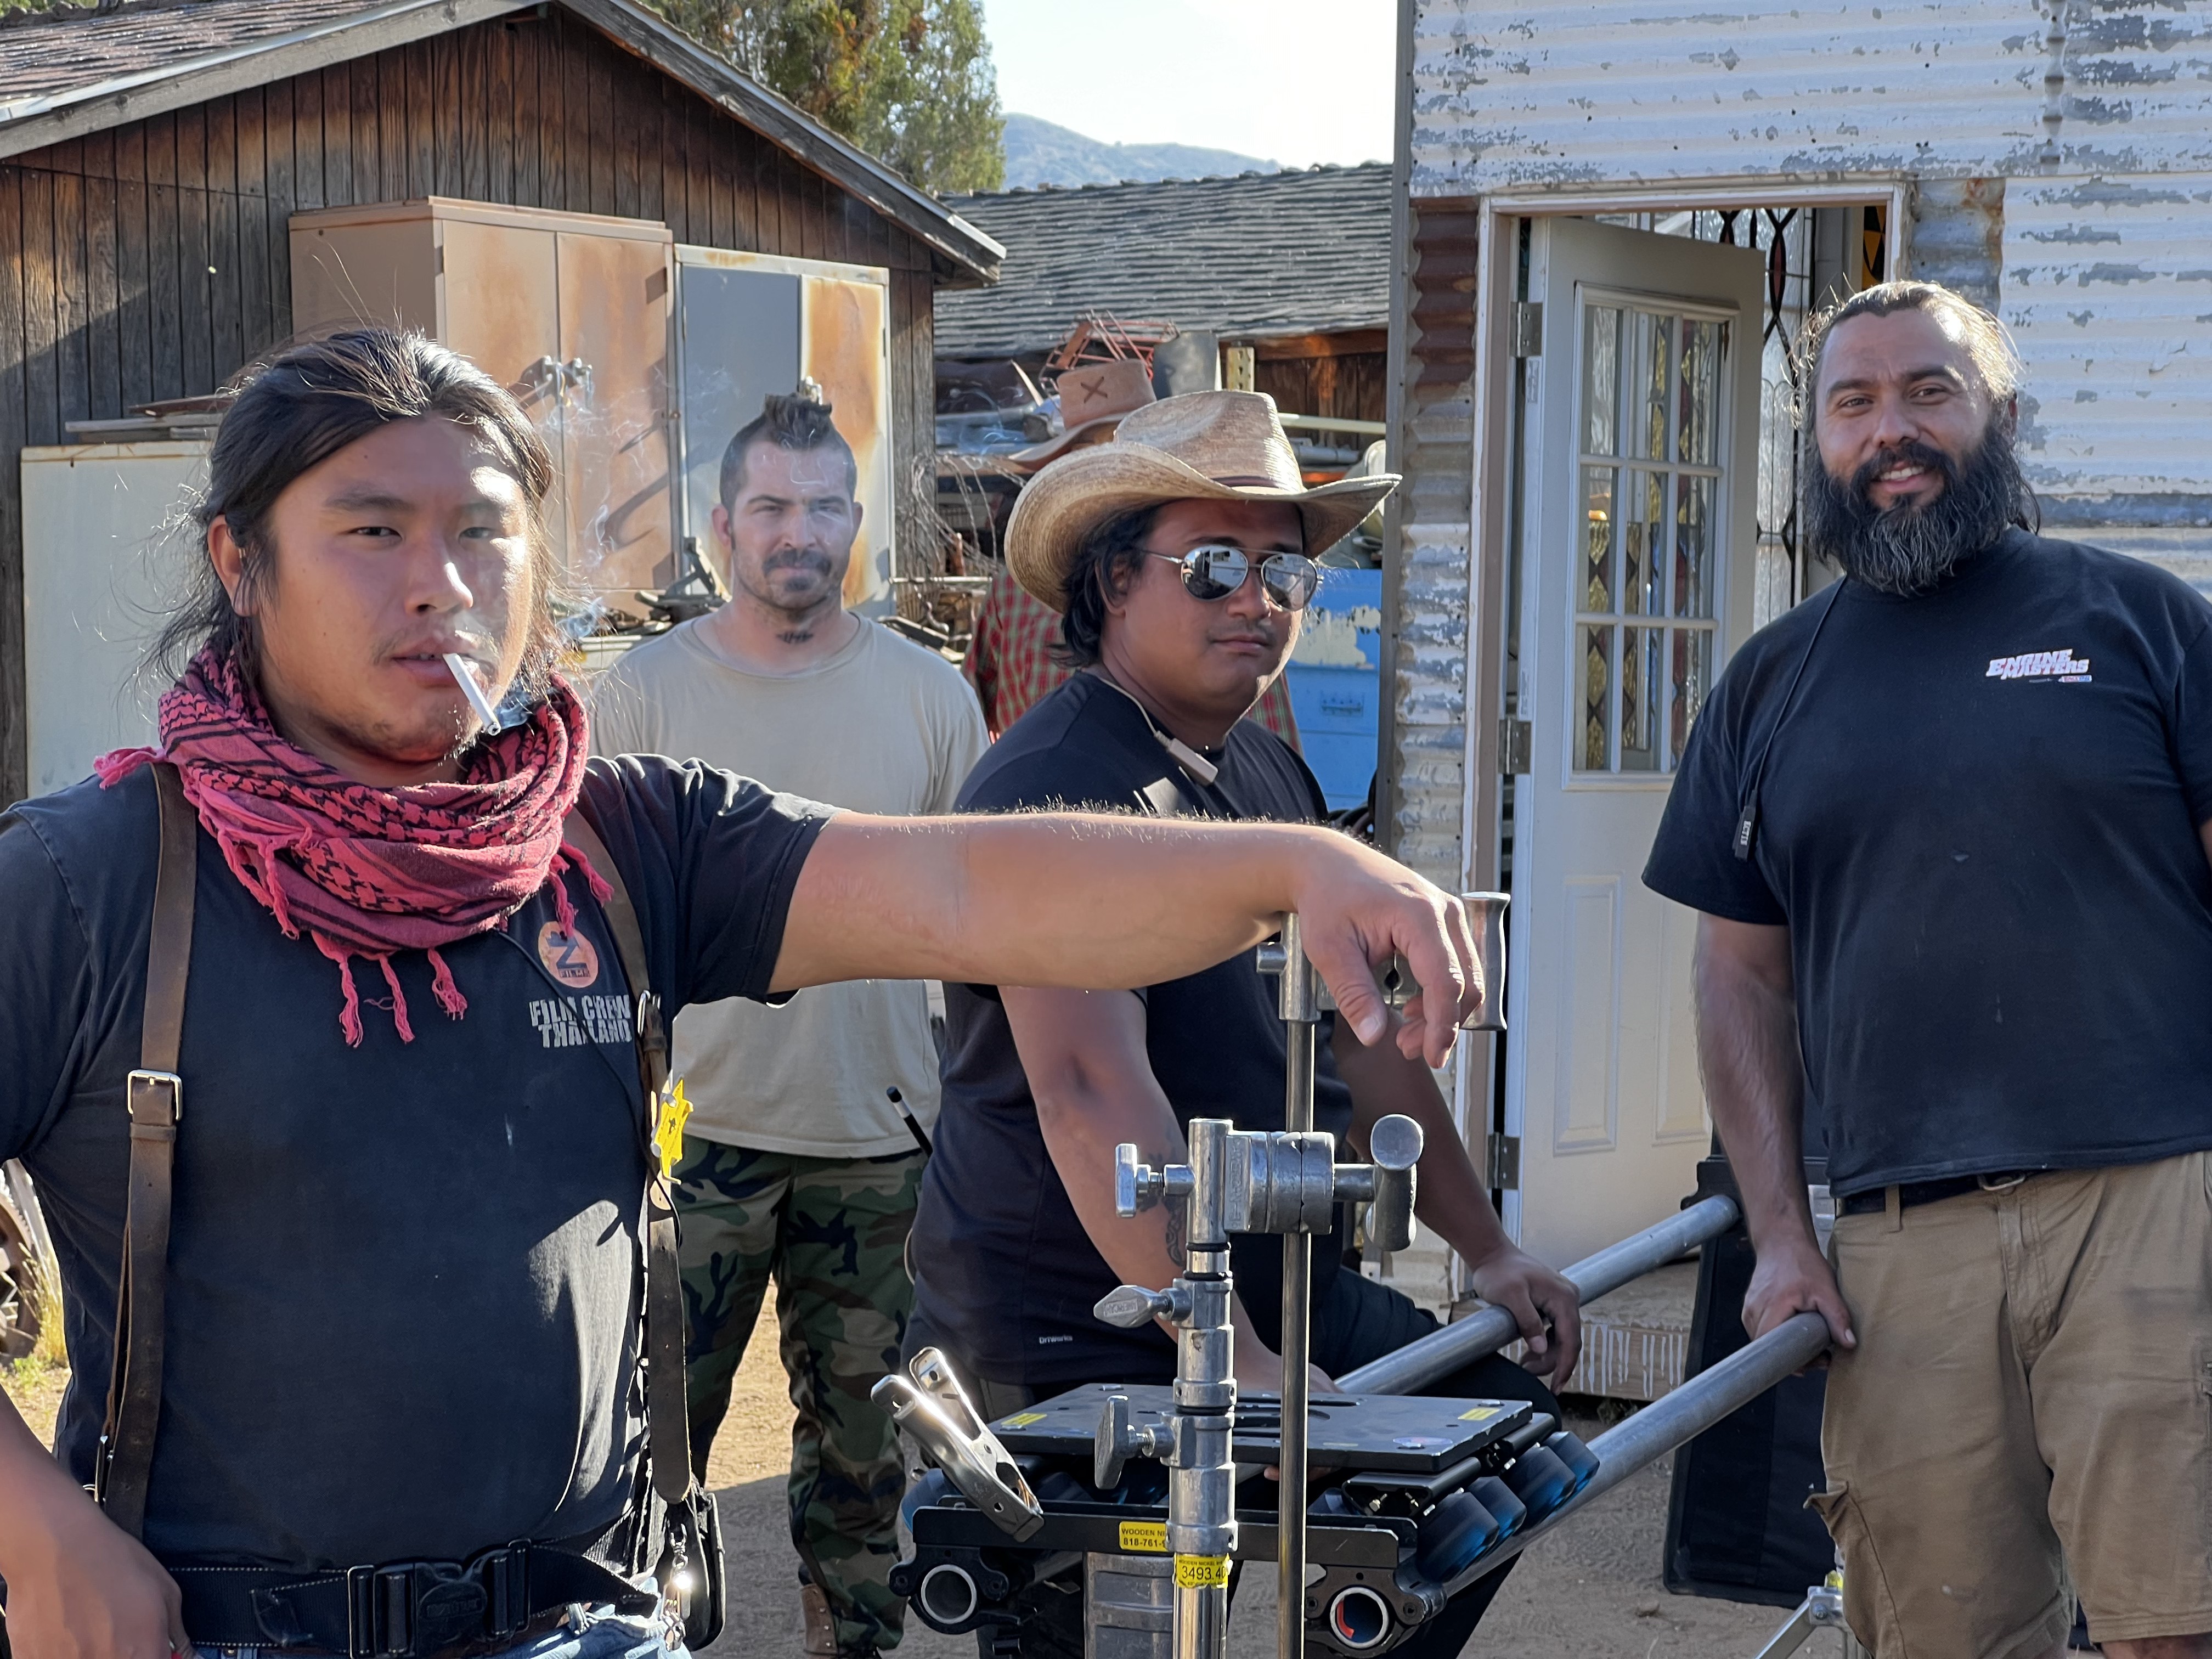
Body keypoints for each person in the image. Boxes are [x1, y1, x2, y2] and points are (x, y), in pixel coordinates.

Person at [0, 331, 1508, 1659]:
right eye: (370, 530)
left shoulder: (622, 840)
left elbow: (965, 886)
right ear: (238, 564)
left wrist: (1296, 866)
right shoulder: (94, 884)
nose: (440, 585)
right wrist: (40, 1535)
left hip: (581, 1624)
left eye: (483, 529)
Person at [906, 390, 1583, 1658]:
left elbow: (1365, 1047)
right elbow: (1089, 1093)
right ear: (1111, 585)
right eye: (1213, 564)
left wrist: (1489, 1248)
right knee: (1142, 1627)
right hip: (1087, 1326)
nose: (1255, 597)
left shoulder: (1266, 774)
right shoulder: (1056, 792)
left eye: (1284, 569)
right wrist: (1232, 1356)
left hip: (1269, 1294)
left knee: (1504, 1455)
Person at [1644, 281, 2212, 1659]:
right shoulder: (1770, 686)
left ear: (1999, 417)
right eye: (1854, 403)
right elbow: (1742, 983)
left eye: (1928, 392)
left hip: (2154, 1202)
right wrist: (1781, 1236)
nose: (1890, 430)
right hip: (1902, 1244)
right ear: (1820, 443)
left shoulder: (2143, 623)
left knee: (2172, 1624)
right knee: (1937, 1638)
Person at [591, 390, 988, 1659]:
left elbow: (979, 929)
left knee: (865, 1472)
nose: (796, 533)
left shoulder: (931, 701)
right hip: (684, 1150)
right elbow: (580, 927)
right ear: (721, 527)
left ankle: (850, 1643)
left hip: (879, 1144)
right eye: (770, 506)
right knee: (645, 1456)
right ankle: (645, 1642)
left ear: (857, 523)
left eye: (823, 507)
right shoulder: (640, 698)